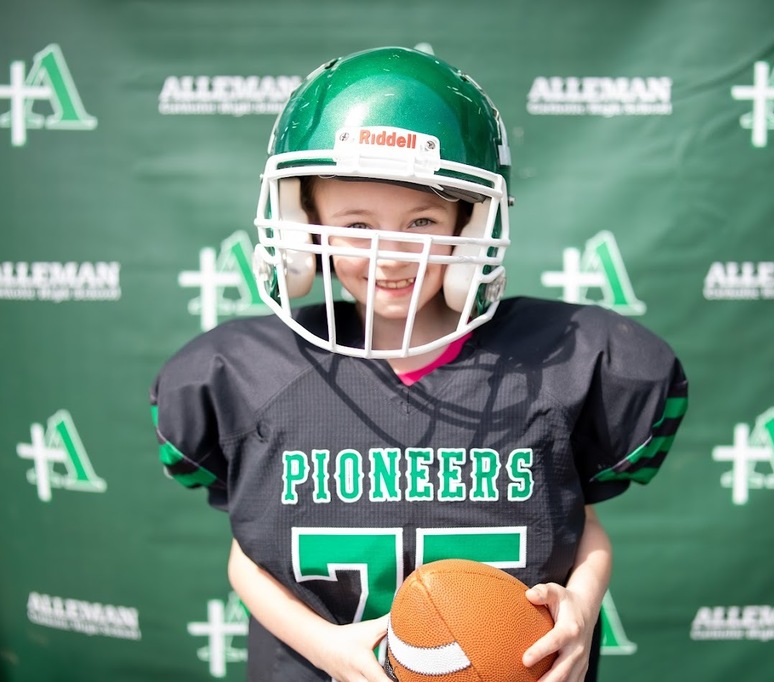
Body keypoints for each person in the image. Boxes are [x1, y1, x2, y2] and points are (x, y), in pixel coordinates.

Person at [151, 46, 688, 682]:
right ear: (305, 224)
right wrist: (328, 648)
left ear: (472, 223)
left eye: (422, 220)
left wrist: (582, 605)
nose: (392, 253)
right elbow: (249, 556)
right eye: (357, 223)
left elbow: (583, 528)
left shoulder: (561, 362)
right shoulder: (250, 376)